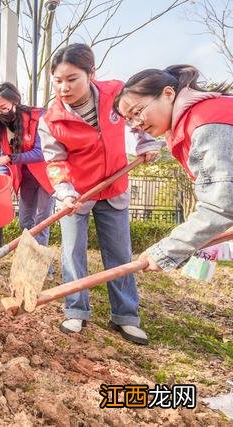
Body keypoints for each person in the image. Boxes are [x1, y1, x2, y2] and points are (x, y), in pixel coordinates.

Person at [38, 43, 161, 345]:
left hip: (114, 186)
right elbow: (55, 161)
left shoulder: (116, 93)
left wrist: (146, 142)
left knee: (119, 253)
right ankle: (75, 310)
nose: (64, 87)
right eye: (58, 80)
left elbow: (140, 119)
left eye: (72, 78)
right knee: (72, 253)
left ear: (91, 74)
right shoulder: (50, 120)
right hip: (76, 193)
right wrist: (65, 192)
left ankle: (126, 316)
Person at [114, 65, 233, 272]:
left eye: (137, 112)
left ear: (168, 93)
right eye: (129, 119)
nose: (135, 124)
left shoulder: (205, 122)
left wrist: (167, 250)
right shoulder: (189, 126)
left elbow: (221, 204)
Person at [0, 82, 55, 267]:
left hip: (46, 176)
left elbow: (42, 152)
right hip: (26, 179)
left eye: (3, 108)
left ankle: (40, 264)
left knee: (42, 221)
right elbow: (2, 158)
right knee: (24, 220)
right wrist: (2, 183)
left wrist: (10, 158)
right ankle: (27, 258)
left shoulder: (38, 117)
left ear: (15, 101)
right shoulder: (0, 127)